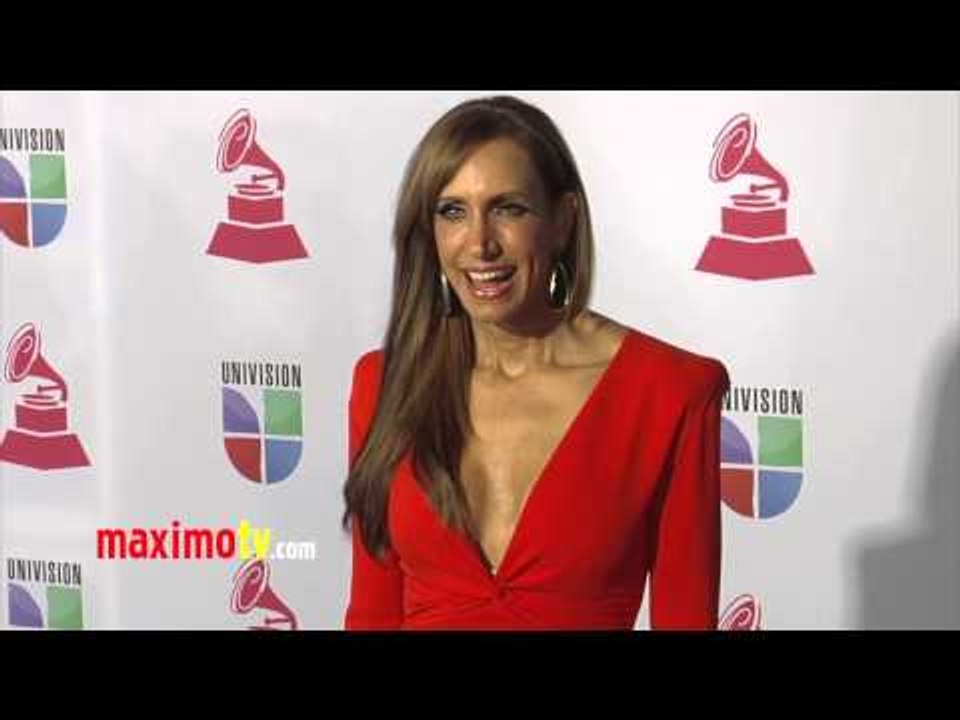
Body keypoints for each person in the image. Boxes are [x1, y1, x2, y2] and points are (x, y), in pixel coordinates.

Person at [342, 95, 729, 630]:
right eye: (452, 211)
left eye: (509, 208)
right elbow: (372, 610)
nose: (479, 243)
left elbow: (686, 617)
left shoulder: (670, 392)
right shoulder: (384, 384)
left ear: (562, 220)